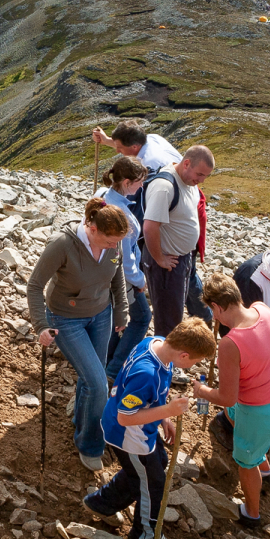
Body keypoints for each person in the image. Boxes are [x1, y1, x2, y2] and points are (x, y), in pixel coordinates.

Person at [28, 198, 131, 472]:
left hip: (102, 315)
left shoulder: (113, 242)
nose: (114, 246)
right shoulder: (62, 244)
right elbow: (35, 285)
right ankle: (90, 445)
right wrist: (40, 325)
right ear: (93, 229)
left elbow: (117, 275)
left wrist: (121, 311)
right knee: (98, 384)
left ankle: (83, 423)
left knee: (90, 381)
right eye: (110, 241)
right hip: (65, 318)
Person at [84, 319, 203, 539]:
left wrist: (163, 419)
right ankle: (145, 533)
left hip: (141, 431)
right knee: (152, 483)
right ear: (184, 355)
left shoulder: (157, 344)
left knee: (156, 464)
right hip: (129, 436)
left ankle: (101, 503)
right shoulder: (146, 373)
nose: (195, 366)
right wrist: (168, 410)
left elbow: (152, 397)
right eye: (196, 361)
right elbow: (125, 417)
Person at [190, 274, 270, 528]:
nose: (214, 317)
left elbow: (227, 396)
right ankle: (267, 471)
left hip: (263, 411)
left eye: (212, 311)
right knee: (232, 413)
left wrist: (202, 391)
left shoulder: (230, 344)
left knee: (245, 461)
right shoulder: (262, 309)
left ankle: (252, 513)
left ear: (217, 307)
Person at [142, 145, 213, 335]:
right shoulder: (164, 186)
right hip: (167, 264)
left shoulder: (189, 182)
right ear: (186, 163)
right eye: (199, 174)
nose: (200, 180)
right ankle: (165, 360)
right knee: (168, 319)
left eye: (205, 176)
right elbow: (149, 227)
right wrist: (159, 259)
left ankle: (170, 357)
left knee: (176, 313)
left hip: (182, 259)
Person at [96, 155, 150, 381]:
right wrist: (140, 282)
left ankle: (104, 363)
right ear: (127, 183)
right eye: (139, 181)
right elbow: (126, 260)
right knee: (142, 317)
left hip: (101, 270)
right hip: (120, 278)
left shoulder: (101, 196)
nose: (142, 186)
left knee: (110, 318)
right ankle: (114, 369)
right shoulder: (123, 216)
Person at [92, 120, 183, 169]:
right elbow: (128, 146)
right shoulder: (153, 138)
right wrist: (106, 140)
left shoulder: (149, 165)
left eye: (120, 147)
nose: (117, 151)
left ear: (134, 146)